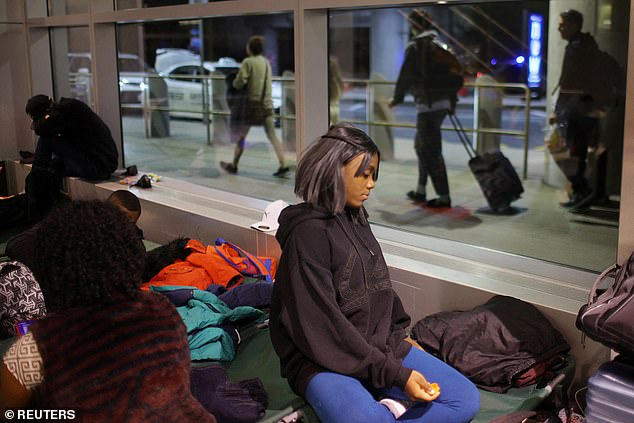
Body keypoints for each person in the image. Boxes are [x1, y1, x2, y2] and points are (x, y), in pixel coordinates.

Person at [269, 123, 480, 423]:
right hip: (323, 360)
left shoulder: (355, 216)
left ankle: (386, 409)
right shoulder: (308, 234)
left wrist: (399, 342)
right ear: (333, 170)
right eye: (364, 175)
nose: (371, 184)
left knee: (465, 400)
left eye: (373, 175)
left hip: (376, 350)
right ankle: (385, 408)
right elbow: (323, 330)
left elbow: (379, 289)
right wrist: (393, 373)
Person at [0, 200, 216, 422]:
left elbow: (8, 412)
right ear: (129, 254)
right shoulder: (163, 311)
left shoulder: (36, 347)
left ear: (52, 268)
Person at [388, 9, 463, 208]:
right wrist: (452, 102)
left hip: (428, 106)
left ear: (414, 25)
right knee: (422, 147)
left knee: (430, 151)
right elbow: (453, 73)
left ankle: (444, 196)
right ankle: (421, 190)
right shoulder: (440, 44)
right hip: (442, 104)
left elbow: (406, 75)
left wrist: (397, 98)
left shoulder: (416, 46)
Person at [5, 189, 143, 271]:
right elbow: (16, 246)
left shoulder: (131, 244)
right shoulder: (73, 221)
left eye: (130, 223)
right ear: (106, 210)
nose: (123, 226)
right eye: (120, 217)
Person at [549, 10, 601, 209]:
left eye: (562, 24)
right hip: (589, 107)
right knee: (580, 151)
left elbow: (568, 82)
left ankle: (581, 191)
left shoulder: (575, 48)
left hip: (576, 109)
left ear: (574, 25)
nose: (559, 28)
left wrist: (557, 110)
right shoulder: (590, 45)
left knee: (570, 152)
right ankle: (582, 191)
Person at [220, 36, 289, 177]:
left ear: (250, 48)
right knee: (273, 136)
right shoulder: (266, 62)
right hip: (267, 104)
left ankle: (234, 165)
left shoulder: (248, 62)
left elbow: (239, 83)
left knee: (242, 137)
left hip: (252, 107)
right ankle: (283, 164)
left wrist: (235, 82)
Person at [26, 95, 118, 181]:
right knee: (54, 166)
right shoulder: (69, 112)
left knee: (47, 138)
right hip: (102, 166)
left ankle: (35, 179)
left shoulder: (67, 109)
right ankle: (39, 176)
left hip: (97, 168)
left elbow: (41, 129)